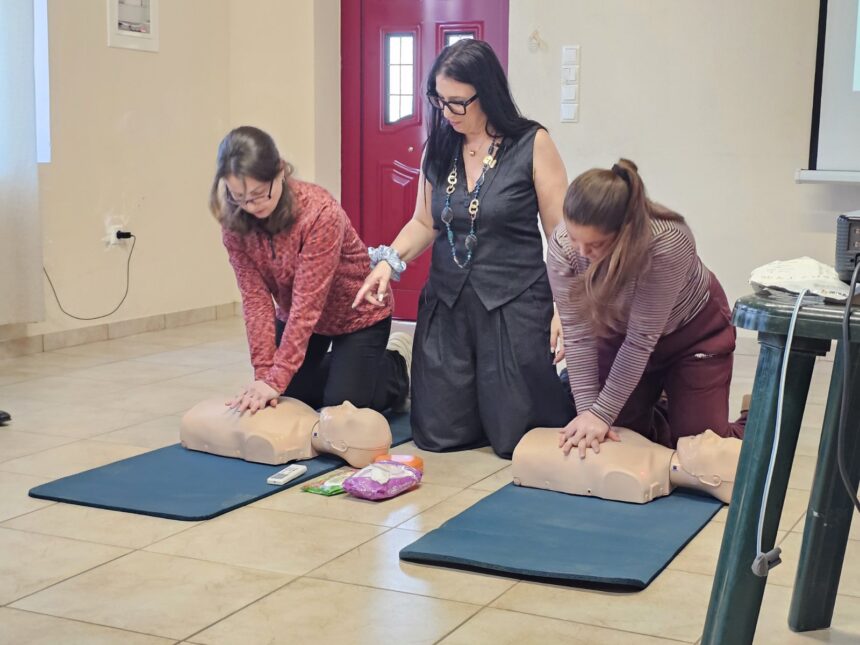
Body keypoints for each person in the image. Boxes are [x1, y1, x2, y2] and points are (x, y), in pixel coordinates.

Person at [353, 39, 572, 459]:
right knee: (438, 435)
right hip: (449, 301)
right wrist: (388, 263)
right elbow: (424, 221)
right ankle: (400, 366)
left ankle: (560, 383)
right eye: (439, 101)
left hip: (513, 301)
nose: (446, 112)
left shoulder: (532, 142)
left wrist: (565, 306)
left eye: (457, 102)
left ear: (486, 93)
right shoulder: (439, 145)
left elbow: (560, 232)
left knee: (517, 440)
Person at [548, 158, 746, 459]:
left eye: (596, 244)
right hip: (619, 333)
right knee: (617, 434)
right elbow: (577, 336)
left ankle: (754, 416)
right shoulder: (564, 245)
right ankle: (661, 403)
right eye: (575, 238)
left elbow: (641, 340)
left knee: (700, 447)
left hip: (692, 335)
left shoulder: (666, 241)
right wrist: (591, 414)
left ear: (625, 233)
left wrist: (601, 415)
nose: (582, 251)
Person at [210, 126, 410, 415]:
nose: (251, 206)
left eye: (258, 194)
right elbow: (256, 301)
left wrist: (277, 378)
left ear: (279, 172)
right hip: (299, 318)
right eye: (239, 196)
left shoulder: (319, 213)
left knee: (339, 409)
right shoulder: (235, 222)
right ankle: (348, 369)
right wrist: (265, 376)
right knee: (287, 394)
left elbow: (307, 304)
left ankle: (394, 365)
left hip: (358, 315)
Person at [512, 425, 741, 504]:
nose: (710, 434)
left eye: (717, 446)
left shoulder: (637, 476)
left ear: (712, 479)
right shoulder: (648, 450)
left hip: (531, 451)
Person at [181, 397, 392, 468]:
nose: (347, 404)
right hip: (211, 410)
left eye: (350, 416)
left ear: (340, 446)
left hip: (198, 421)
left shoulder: (277, 443)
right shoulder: (307, 412)